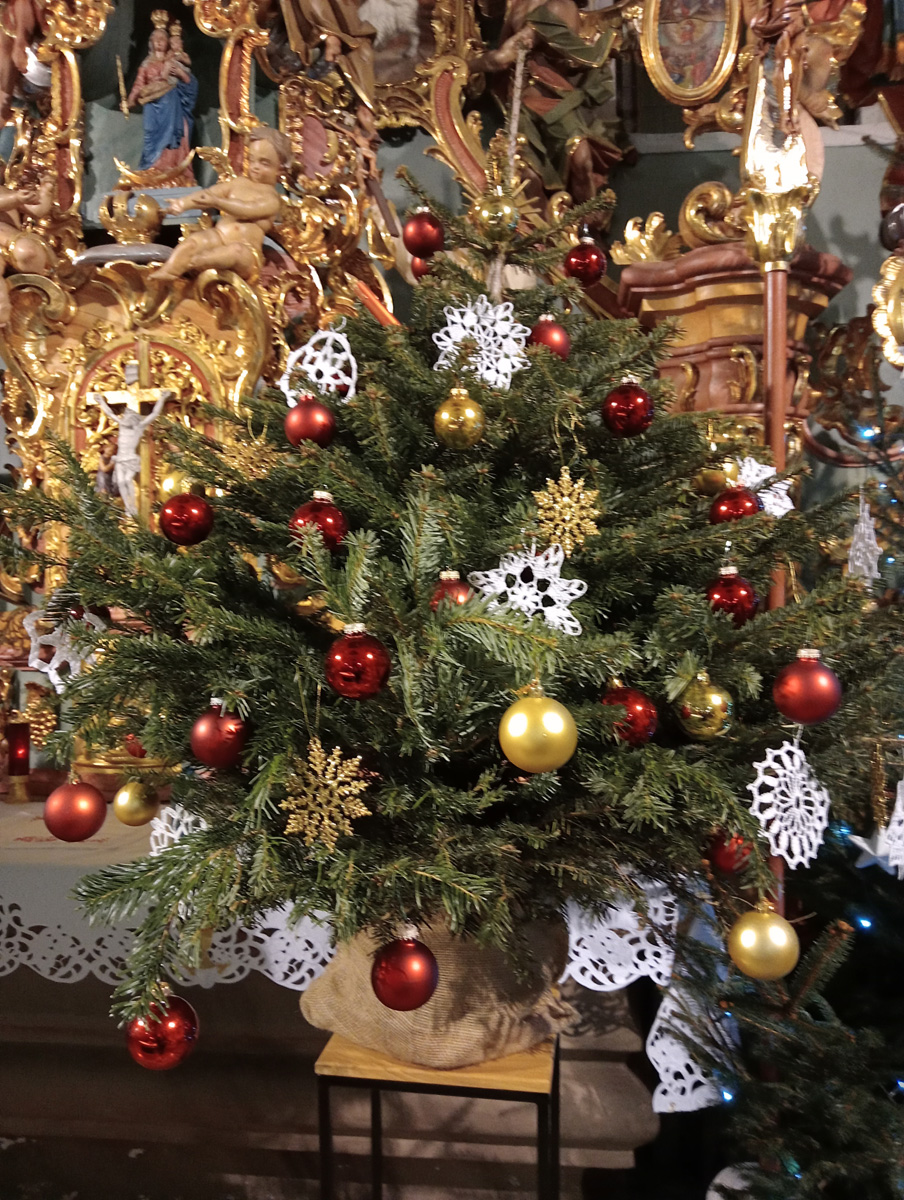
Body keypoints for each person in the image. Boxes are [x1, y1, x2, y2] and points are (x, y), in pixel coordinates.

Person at [470, 0, 623, 219]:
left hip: (558, 100)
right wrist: (465, 66)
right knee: (528, 173)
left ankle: (587, 228)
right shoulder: (518, 8)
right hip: (523, 103)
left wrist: (464, 65)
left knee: (581, 160)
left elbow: (503, 58)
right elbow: (503, 59)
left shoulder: (558, 7)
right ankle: (545, 232)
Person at [149, 127, 291, 283]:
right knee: (194, 241)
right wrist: (183, 203)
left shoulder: (272, 199)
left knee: (235, 251)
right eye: (251, 160)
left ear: (280, 170)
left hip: (247, 253)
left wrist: (217, 202)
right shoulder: (238, 183)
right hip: (218, 237)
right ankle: (169, 271)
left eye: (264, 163)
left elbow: (246, 210)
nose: (255, 167)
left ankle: (194, 263)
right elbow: (209, 193)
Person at [127, 15, 198, 182]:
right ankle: (151, 167)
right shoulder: (146, 64)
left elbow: (190, 84)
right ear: (151, 43)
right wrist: (129, 100)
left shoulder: (173, 60)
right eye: (156, 39)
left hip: (171, 103)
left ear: (168, 43)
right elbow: (138, 85)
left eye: (162, 39)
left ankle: (172, 167)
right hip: (152, 106)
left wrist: (181, 74)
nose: (159, 42)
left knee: (172, 133)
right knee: (151, 134)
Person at [0, 168, 54, 326]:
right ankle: (2, 309)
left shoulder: (7, 191)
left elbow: (38, 210)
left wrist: (47, 189)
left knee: (26, 251)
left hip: (13, 240)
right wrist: (16, 198)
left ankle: (45, 280)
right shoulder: (12, 196)